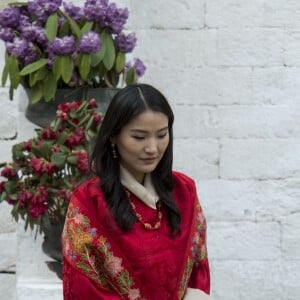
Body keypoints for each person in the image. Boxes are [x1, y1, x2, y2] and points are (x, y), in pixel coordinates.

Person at [61, 83, 210, 300]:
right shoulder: (89, 202)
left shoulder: (184, 191)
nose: (152, 148)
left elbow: (198, 270)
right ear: (113, 136)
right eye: (139, 137)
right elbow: (83, 288)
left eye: (161, 135)